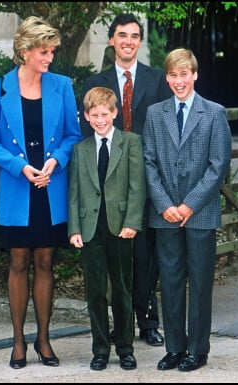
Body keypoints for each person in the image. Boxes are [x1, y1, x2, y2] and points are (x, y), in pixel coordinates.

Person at [0, 16, 83, 369]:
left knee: (45, 261)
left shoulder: (63, 85)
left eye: (52, 51)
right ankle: (18, 340)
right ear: (24, 52)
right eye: (43, 51)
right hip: (17, 187)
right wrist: (20, 167)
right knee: (18, 260)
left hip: (50, 187)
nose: (50, 57)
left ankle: (44, 338)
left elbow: (72, 134)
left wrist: (56, 161)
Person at [79, 12, 172, 347]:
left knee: (146, 254)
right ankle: (119, 327)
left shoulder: (157, 79)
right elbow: (86, 137)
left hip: (148, 177)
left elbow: (166, 129)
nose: (128, 41)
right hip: (108, 182)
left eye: (134, 35)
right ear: (111, 40)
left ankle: (147, 322)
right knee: (115, 254)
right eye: (122, 35)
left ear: (140, 41)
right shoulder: (95, 83)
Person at [143, 48, 232, 372]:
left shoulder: (214, 112)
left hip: (200, 212)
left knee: (200, 281)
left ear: (195, 75)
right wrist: (166, 205)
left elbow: (218, 165)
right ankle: (174, 347)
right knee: (170, 281)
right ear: (166, 78)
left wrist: (189, 205)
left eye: (184, 74)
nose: (178, 81)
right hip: (165, 213)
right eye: (172, 75)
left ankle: (198, 349)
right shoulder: (155, 114)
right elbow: (148, 163)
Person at [68, 86, 145, 371]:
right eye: (94, 115)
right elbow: (74, 191)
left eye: (105, 114)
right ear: (86, 116)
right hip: (90, 228)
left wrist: (132, 222)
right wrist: (74, 228)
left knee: (122, 289)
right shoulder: (81, 149)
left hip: (120, 227)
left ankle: (125, 347)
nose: (100, 120)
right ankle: (100, 348)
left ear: (115, 113)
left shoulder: (131, 143)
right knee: (95, 291)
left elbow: (137, 186)